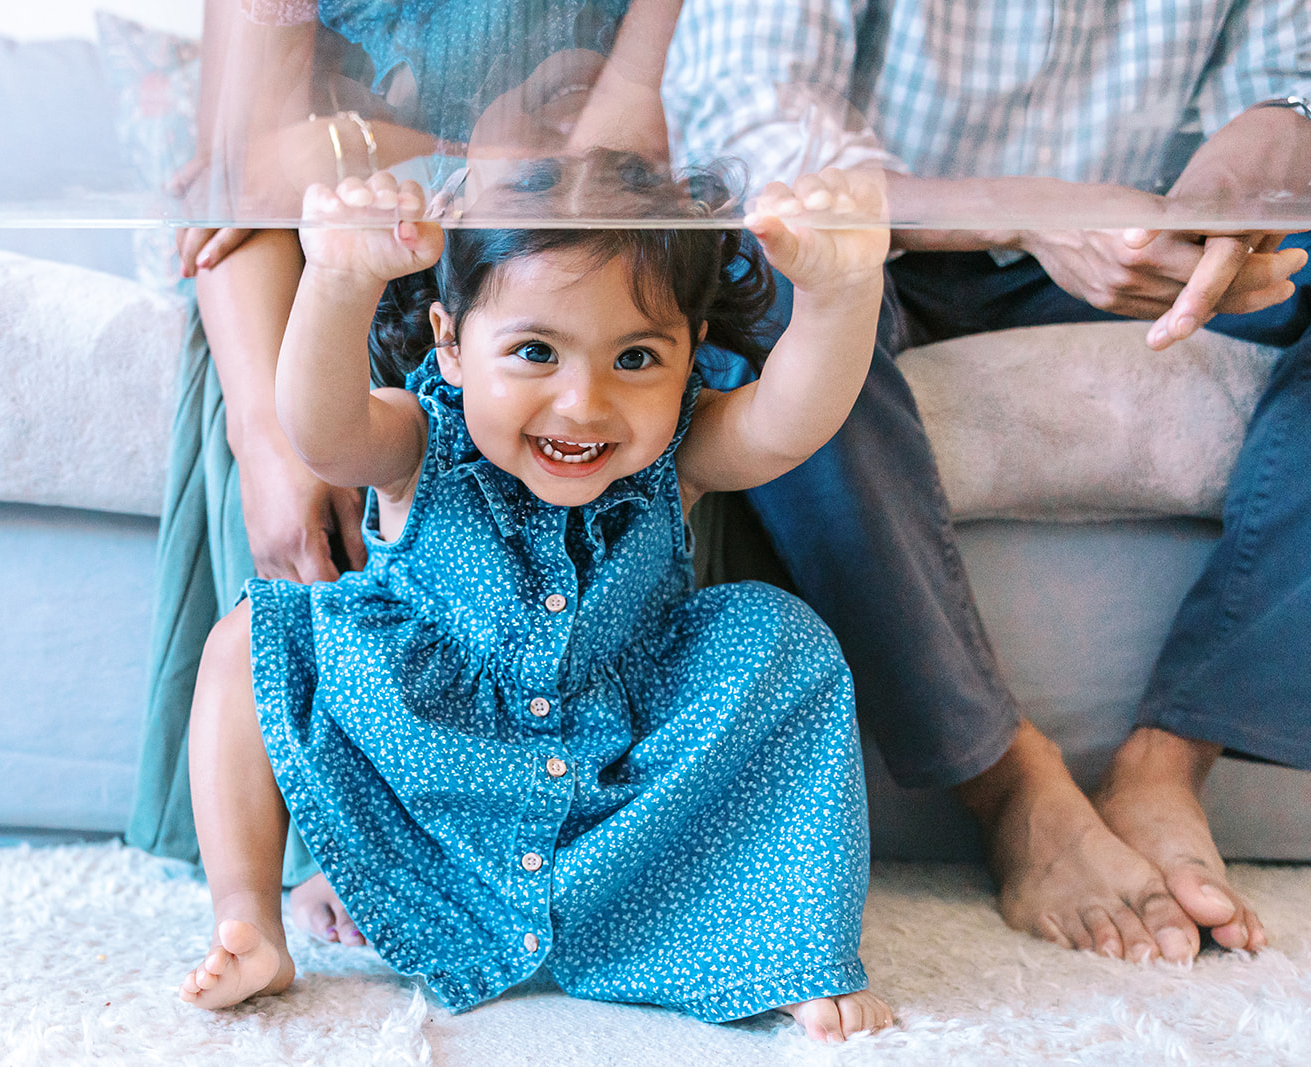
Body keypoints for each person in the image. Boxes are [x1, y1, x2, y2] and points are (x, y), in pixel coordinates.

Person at [176, 165, 893, 1041]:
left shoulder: (678, 451)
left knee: (783, 638)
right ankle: (248, 920)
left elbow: (791, 418)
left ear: (690, 352)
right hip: (432, 781)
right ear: (450, 342)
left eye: (636, 358)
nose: (583, 403)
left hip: (614, 806)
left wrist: (844, 292)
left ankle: (778, 949)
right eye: (534, 352)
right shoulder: (420, 440)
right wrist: (338, 278)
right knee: (251, 634)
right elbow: (320, 427)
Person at [662, 0, 1311, 963]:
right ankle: (1015, 790)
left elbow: (1285, 73)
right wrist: (1029, 209)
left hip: (1146, 249)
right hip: (899, 240)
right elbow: (748, 136)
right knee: (762, 278)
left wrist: (1243, 182)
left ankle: (1168, 763)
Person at [129, 0, 691, 947]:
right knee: (314, 451)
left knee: (588, 347)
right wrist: (270, 444)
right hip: (326, 276)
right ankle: (333, 837)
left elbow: (625, 158)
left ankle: (515, 847)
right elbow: (240, 197)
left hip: (558, 266)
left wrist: (372, 147)